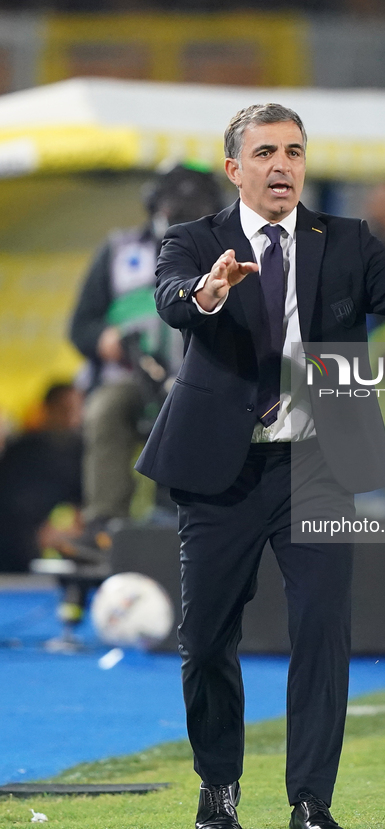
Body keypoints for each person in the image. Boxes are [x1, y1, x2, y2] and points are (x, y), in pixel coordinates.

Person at [135, 103, 385, 829]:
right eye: (264, 152)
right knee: (205, 640)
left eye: (293, 152)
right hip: (220, 472)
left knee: (323, 631)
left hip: (318, 466)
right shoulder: (191, 240)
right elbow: (172, 300)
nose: (281, 166)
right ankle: (217, 788)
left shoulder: (348, 241)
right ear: (234, 168)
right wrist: (207, 291)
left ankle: (310, 801)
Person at [69, 164, 223, 554]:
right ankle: (104, 523)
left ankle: (197, 525)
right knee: (106, 409)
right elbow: (81, 326)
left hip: (202, 381)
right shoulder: (120, 252)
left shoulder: (226, 256)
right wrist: (110, 341)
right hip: (132, 379)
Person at [0, 383, 83, 573]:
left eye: (75, 411)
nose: (71, 419)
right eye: (64, 410)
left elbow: (81, 507)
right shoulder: (20, 449)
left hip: (28, 551)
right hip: (12, 539)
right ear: (47, 409)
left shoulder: (78, 451)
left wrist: (63, 533)